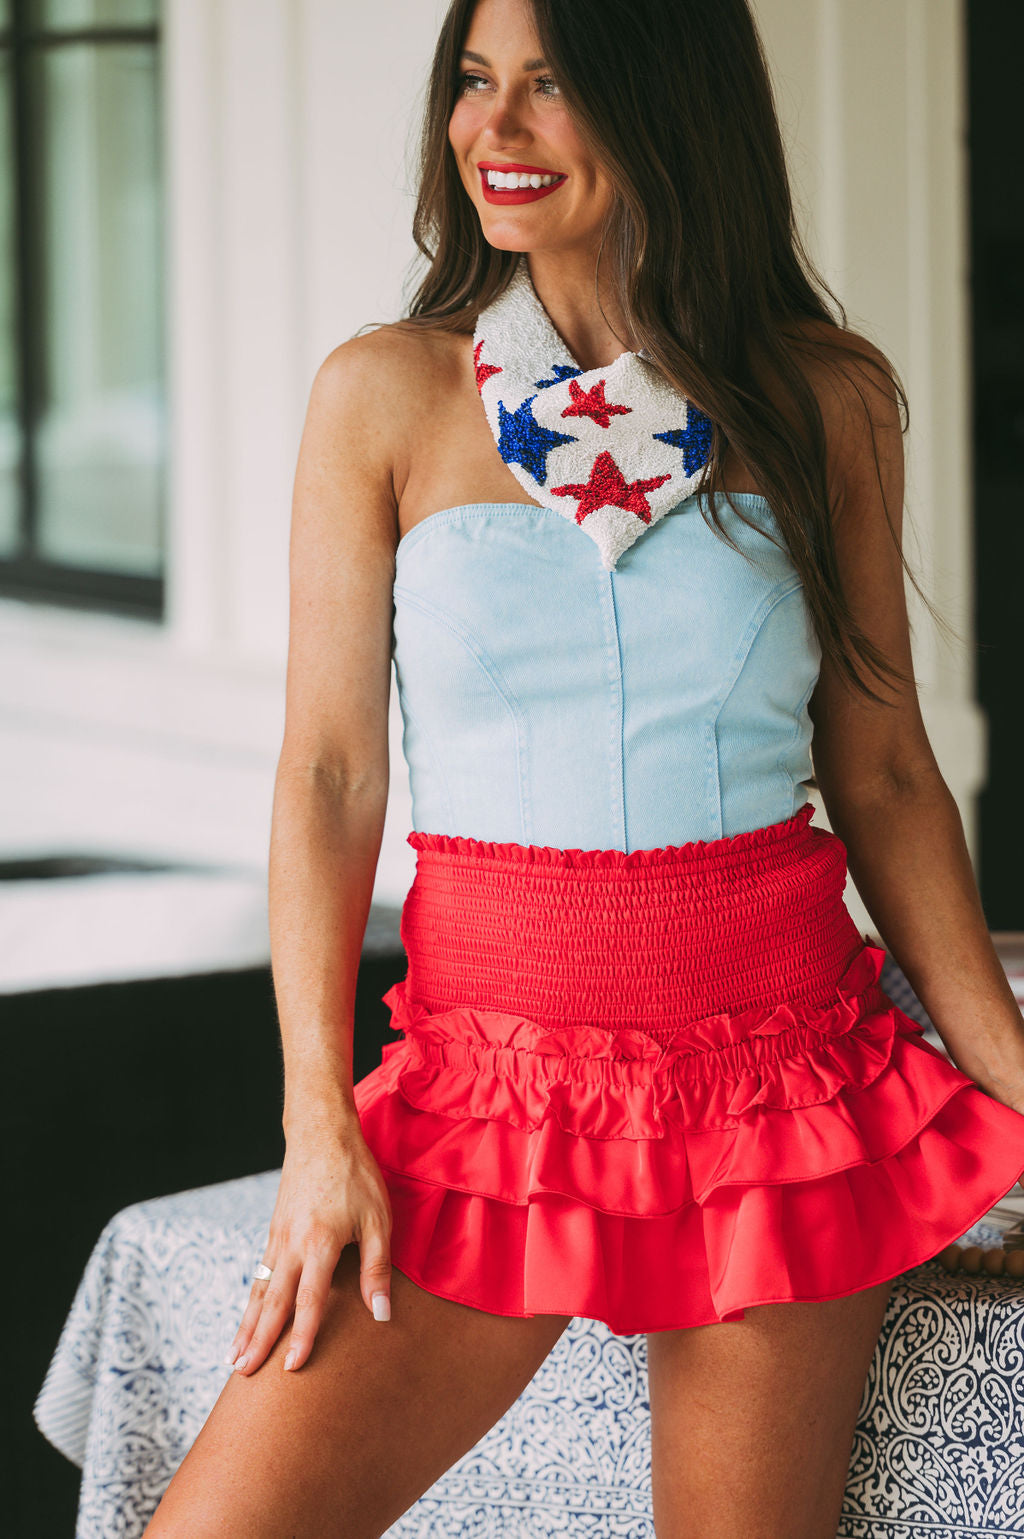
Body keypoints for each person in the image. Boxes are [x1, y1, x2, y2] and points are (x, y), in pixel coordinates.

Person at [143, 0, 1024, 1534]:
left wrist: (1012, 1079)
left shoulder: (829, 399)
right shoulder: (384, 394)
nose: (494, 128)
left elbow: (882, 771)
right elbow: (333, 775)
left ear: (666, 103)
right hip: (486, 1090)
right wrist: (315, 1123)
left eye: (550, 86)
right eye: (475, 85)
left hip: (779, 1094)